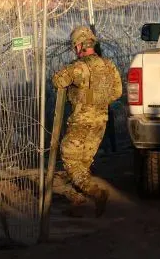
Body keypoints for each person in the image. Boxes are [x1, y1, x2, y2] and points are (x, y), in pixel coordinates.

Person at [52, 26, 122, 217]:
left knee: (69, 158)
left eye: (75, 46)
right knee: (83, 162)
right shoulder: (109, 65)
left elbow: (57, 81)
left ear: (80, 45)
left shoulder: (78, 67)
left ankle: (96, 193)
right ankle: (78, 202)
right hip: (101, 121)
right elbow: (117, 92)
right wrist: (99, 100)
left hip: (81, 121)